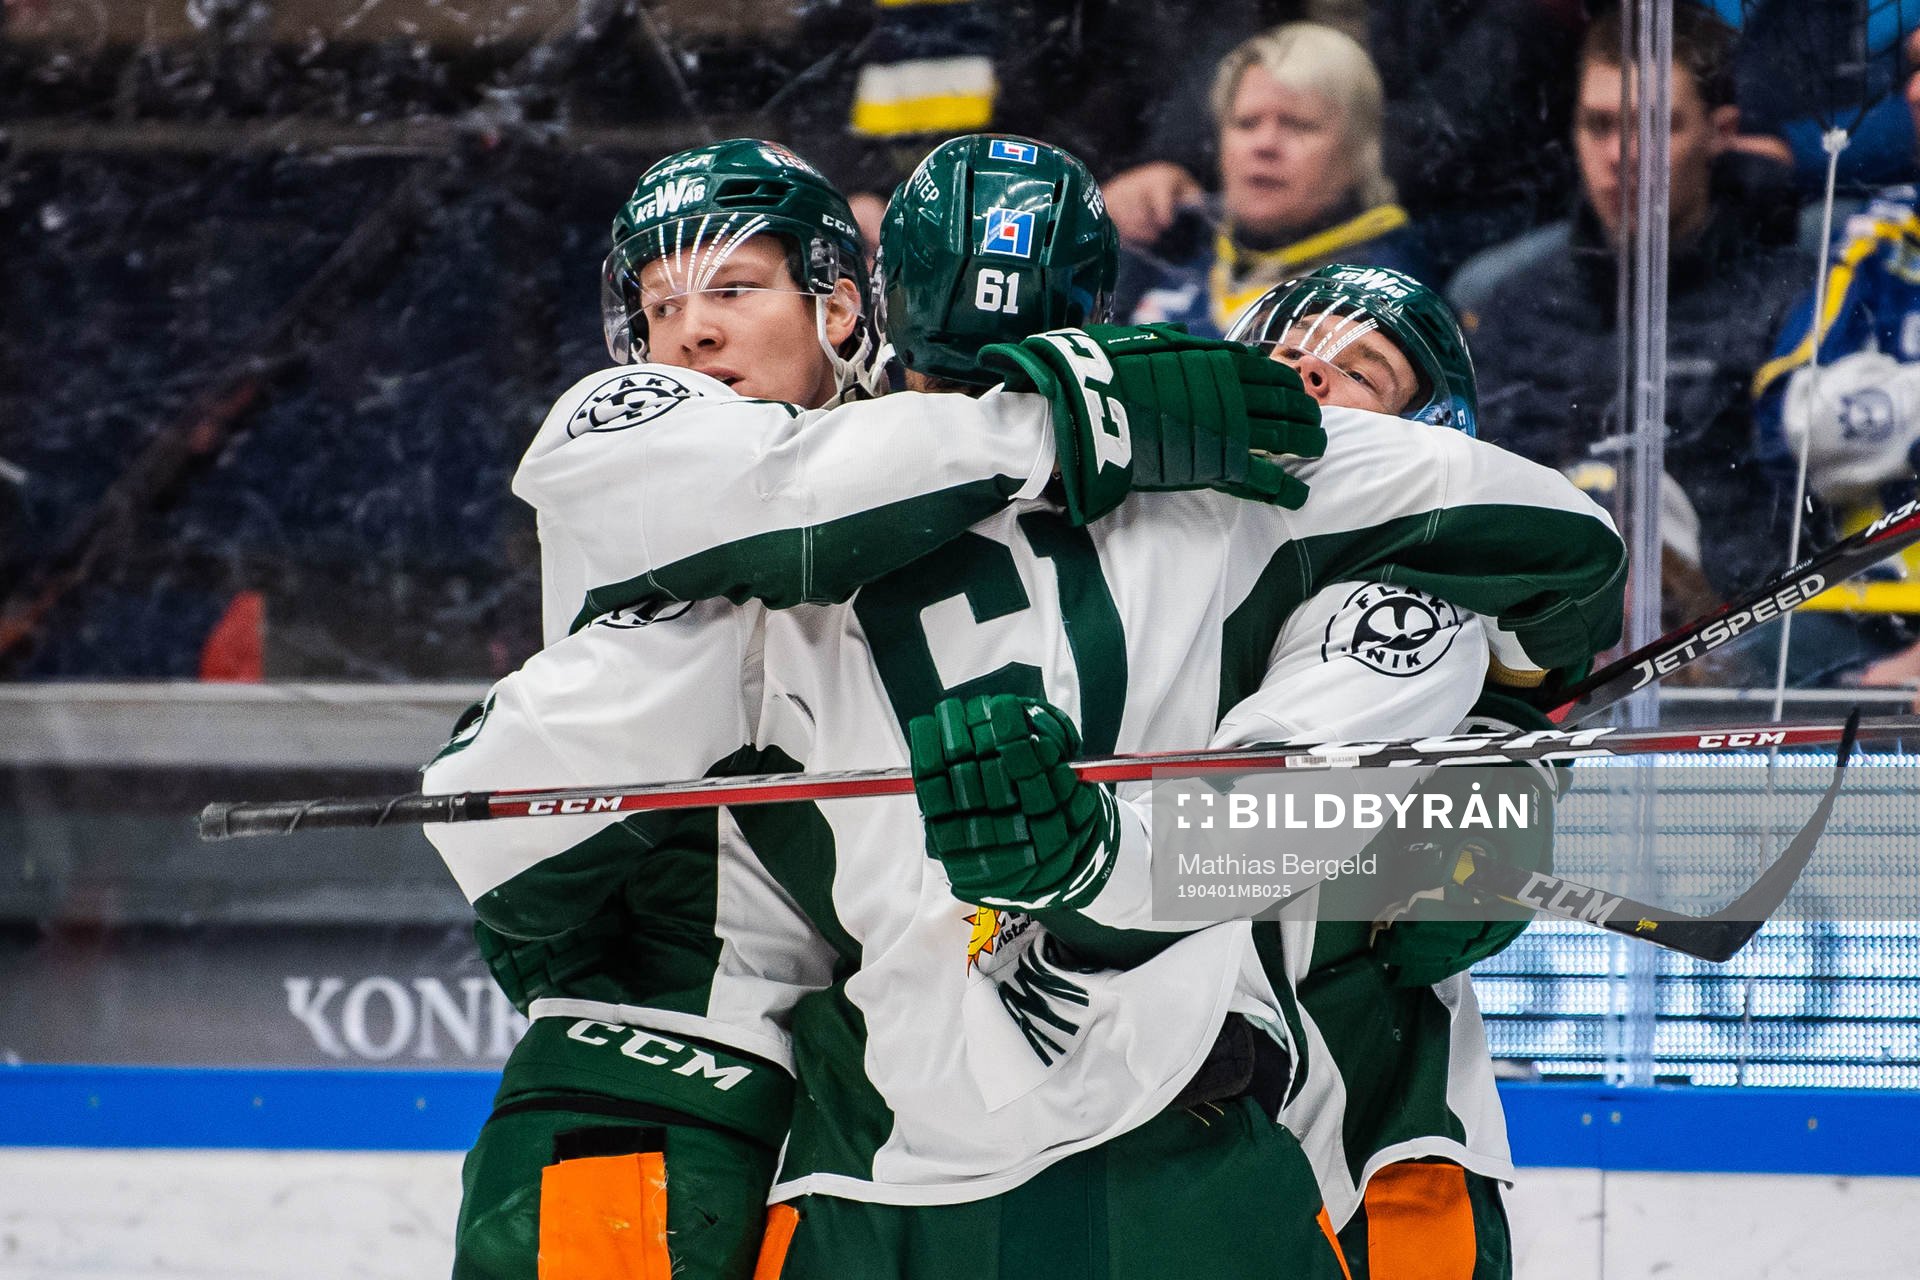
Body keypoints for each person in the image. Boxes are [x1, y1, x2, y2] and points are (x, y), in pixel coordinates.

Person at [429, 133, 1625, 1276]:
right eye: (659, 304)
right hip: (878, 1111)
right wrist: (1061, 415)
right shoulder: (704, 481)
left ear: (853, 302)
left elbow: (497, 820)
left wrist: (1507, 729)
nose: (689, 328)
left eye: (735, 286)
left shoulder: (1264, 496)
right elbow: (1559, 547)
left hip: (1043, 1124)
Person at [1448, 1, 1806, 609]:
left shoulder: (1795, 296)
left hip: (1736, 638)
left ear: (1720, 132)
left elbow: (1797, 524)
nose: (1620, 154)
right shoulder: (1513, 305)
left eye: (1655, 126)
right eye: (1598, 125)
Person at [1112, 23, 1430, 338]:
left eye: (1298, 126)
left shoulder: (1385, 297)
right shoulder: (1168, 243)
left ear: (1360, 150)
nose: (1264, 145)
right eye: (1246, 123)